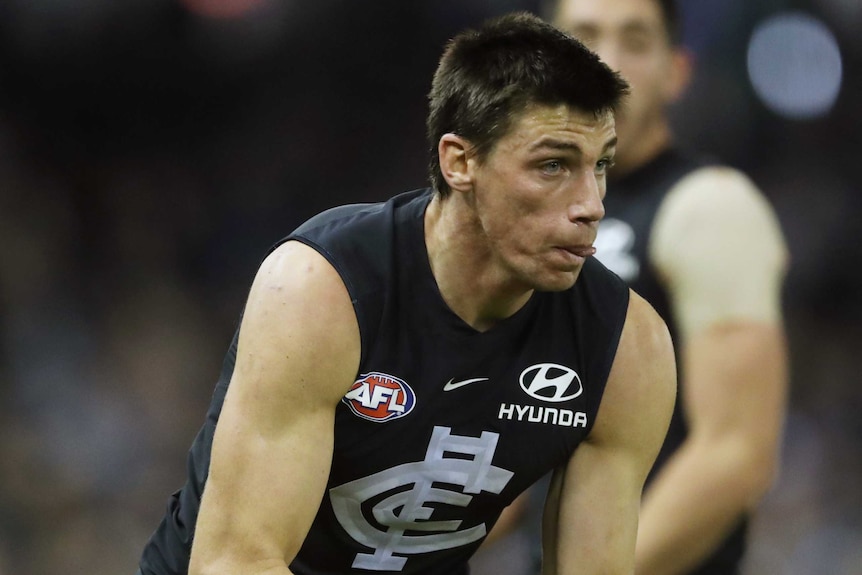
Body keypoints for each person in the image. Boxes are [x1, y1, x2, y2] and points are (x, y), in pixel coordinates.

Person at [136, 11, 678, 575]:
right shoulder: (322, 290)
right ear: (460, 161)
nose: (591, 203)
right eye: (552, 165)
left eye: (602, 166)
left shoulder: (624, 348)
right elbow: (233, 564)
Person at [473, 2, 790, 574]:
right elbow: (514, 455)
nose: (608, 64)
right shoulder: (531, 223)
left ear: (677, 71)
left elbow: (736, 454)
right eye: (585, 38)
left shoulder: (709, 208)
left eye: (636, 42)